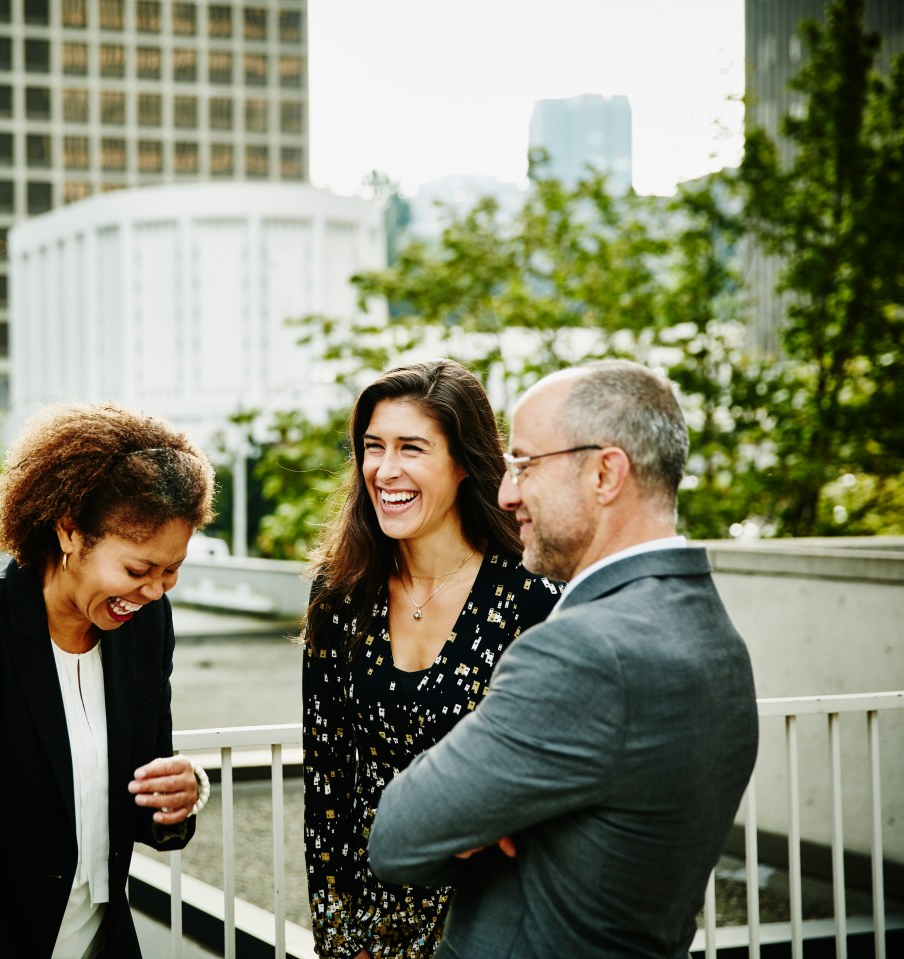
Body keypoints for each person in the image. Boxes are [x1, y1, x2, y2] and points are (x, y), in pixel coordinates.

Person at [367, 360, 760, 958]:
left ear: (606, 474)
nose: (506, 492)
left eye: (525, 463)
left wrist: (479, 818)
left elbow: (398, 837)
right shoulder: (714, 633)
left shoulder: (579, 651)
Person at [0, 403, 216, 959]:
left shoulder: (146, 625)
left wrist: (181, 794)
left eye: (170, 570)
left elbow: (143, 792)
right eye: (136, 569)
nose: (155, 590)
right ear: (69, 531)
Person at [303, 359, 562, 959]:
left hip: (494, 919)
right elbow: (328, 777)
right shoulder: (340, 592)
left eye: (412, 448)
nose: (385, 470)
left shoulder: (530, 593)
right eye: (373, 447)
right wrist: (342, 939)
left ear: (465, 462)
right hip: (373, 921)